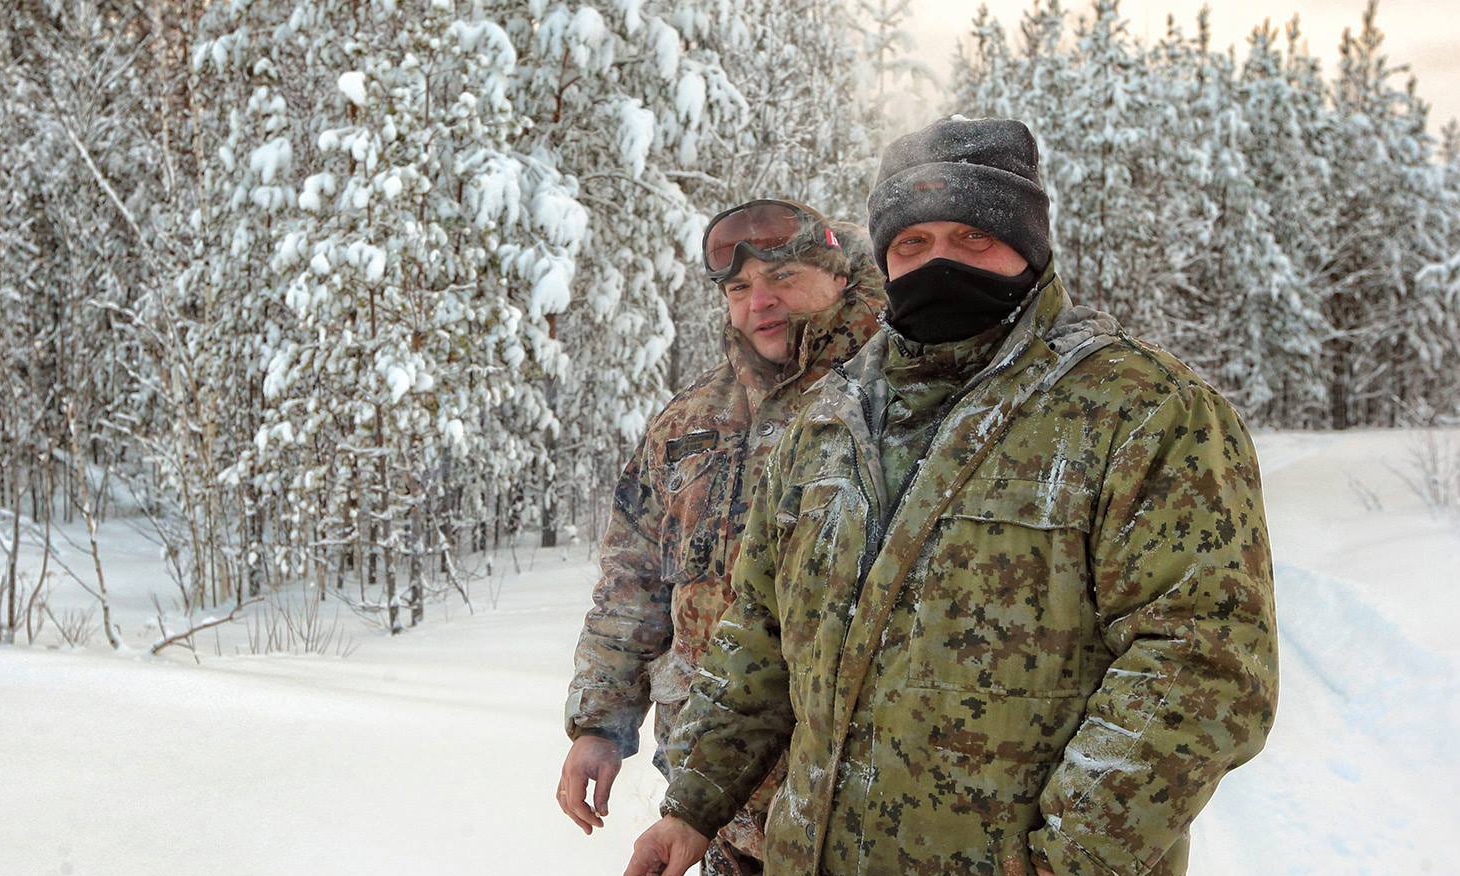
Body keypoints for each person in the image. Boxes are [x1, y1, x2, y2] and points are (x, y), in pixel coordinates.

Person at [626, 117, 1279, 876]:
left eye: (972, 237)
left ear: (1030, 246)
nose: (939, 262)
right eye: (913, 243)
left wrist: (1067, 862)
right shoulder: (830, 420)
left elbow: (1204, 667)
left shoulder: (1141, 409)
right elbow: (762, 631)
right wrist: (693, 804)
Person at [559, 199, 885, 874]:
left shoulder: (895, 402)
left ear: (838, 278)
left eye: (784, 278)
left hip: (861, 825)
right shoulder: (689, 424)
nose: (759, 302)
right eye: (740, 289)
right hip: (720, 822)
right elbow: (633, 582)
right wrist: (601, 722)